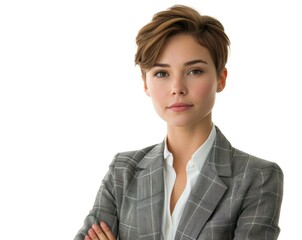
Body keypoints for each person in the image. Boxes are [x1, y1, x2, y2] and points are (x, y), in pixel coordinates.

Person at [74, 4, 283, 240]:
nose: (177, 89)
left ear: (221, 79)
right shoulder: (123, 171)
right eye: (162, 73)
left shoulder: (257, 177)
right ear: (145, 83)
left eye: (194, 71)